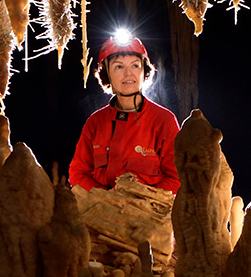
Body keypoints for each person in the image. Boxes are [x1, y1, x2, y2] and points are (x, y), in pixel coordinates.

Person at [68, 30, 180, 194]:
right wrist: (107, 202)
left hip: (151, 216)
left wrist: (141, 205)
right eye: (119, 67)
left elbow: (177, 177)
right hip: (101, 214)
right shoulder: (95, 123)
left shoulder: (164, 121)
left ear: (144, 71)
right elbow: (78, 174)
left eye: (135, 65)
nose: (128, 73)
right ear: (107, 75)